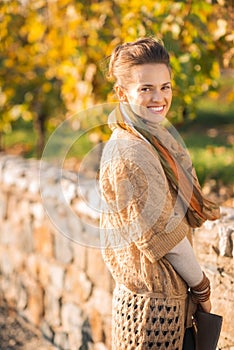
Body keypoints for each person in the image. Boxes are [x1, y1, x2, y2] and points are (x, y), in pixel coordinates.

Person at [99, 37, 220, 350]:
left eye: (165, 86)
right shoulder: (130, 152)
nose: (159, 97)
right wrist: (202, 287)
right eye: (146, 88)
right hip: (153, 315)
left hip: (162, 305)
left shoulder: (154, 139)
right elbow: (168, 239)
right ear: (121, 93)